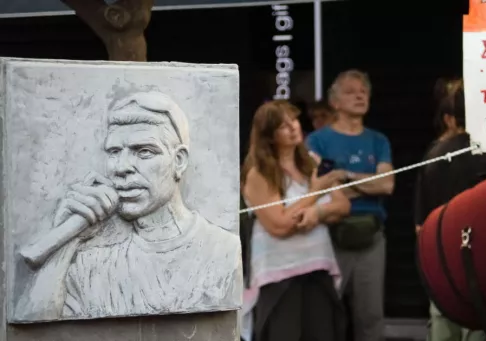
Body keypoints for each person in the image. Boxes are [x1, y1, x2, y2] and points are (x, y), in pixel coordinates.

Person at [16, 91, 241, 321]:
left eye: (143, 152)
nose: (121, 167)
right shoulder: (94, 265)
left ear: (179, 161)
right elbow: (33, 325)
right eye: (114, 152)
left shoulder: (223, 251)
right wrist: (64, 244)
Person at [413, 78, 486, 341]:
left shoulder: (433, 155)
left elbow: (420, 227)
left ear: (451, 117)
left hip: (442, 275)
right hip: (485, 275)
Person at [241, 100, 350, 341]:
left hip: (317, 267)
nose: (293, 127)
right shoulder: (259, 172)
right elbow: (278, 225)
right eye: (283, 125)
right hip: (279, 275)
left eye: (294, 120)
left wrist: (317, 213)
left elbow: (343, 204)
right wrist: (315, 194)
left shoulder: (311, 160)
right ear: (269, 136)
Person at [307, 69, 394, 341]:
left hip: (371, 238)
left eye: (364, 91)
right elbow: (315, 190)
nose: (359, 95)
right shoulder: (317, 140)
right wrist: (365, 183)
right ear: (335, 102)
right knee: (325, 315)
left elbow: (387, 185)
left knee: (370, 317)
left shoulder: (378, 140)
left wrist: (343, 177)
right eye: (351, 91)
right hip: (330, 236)